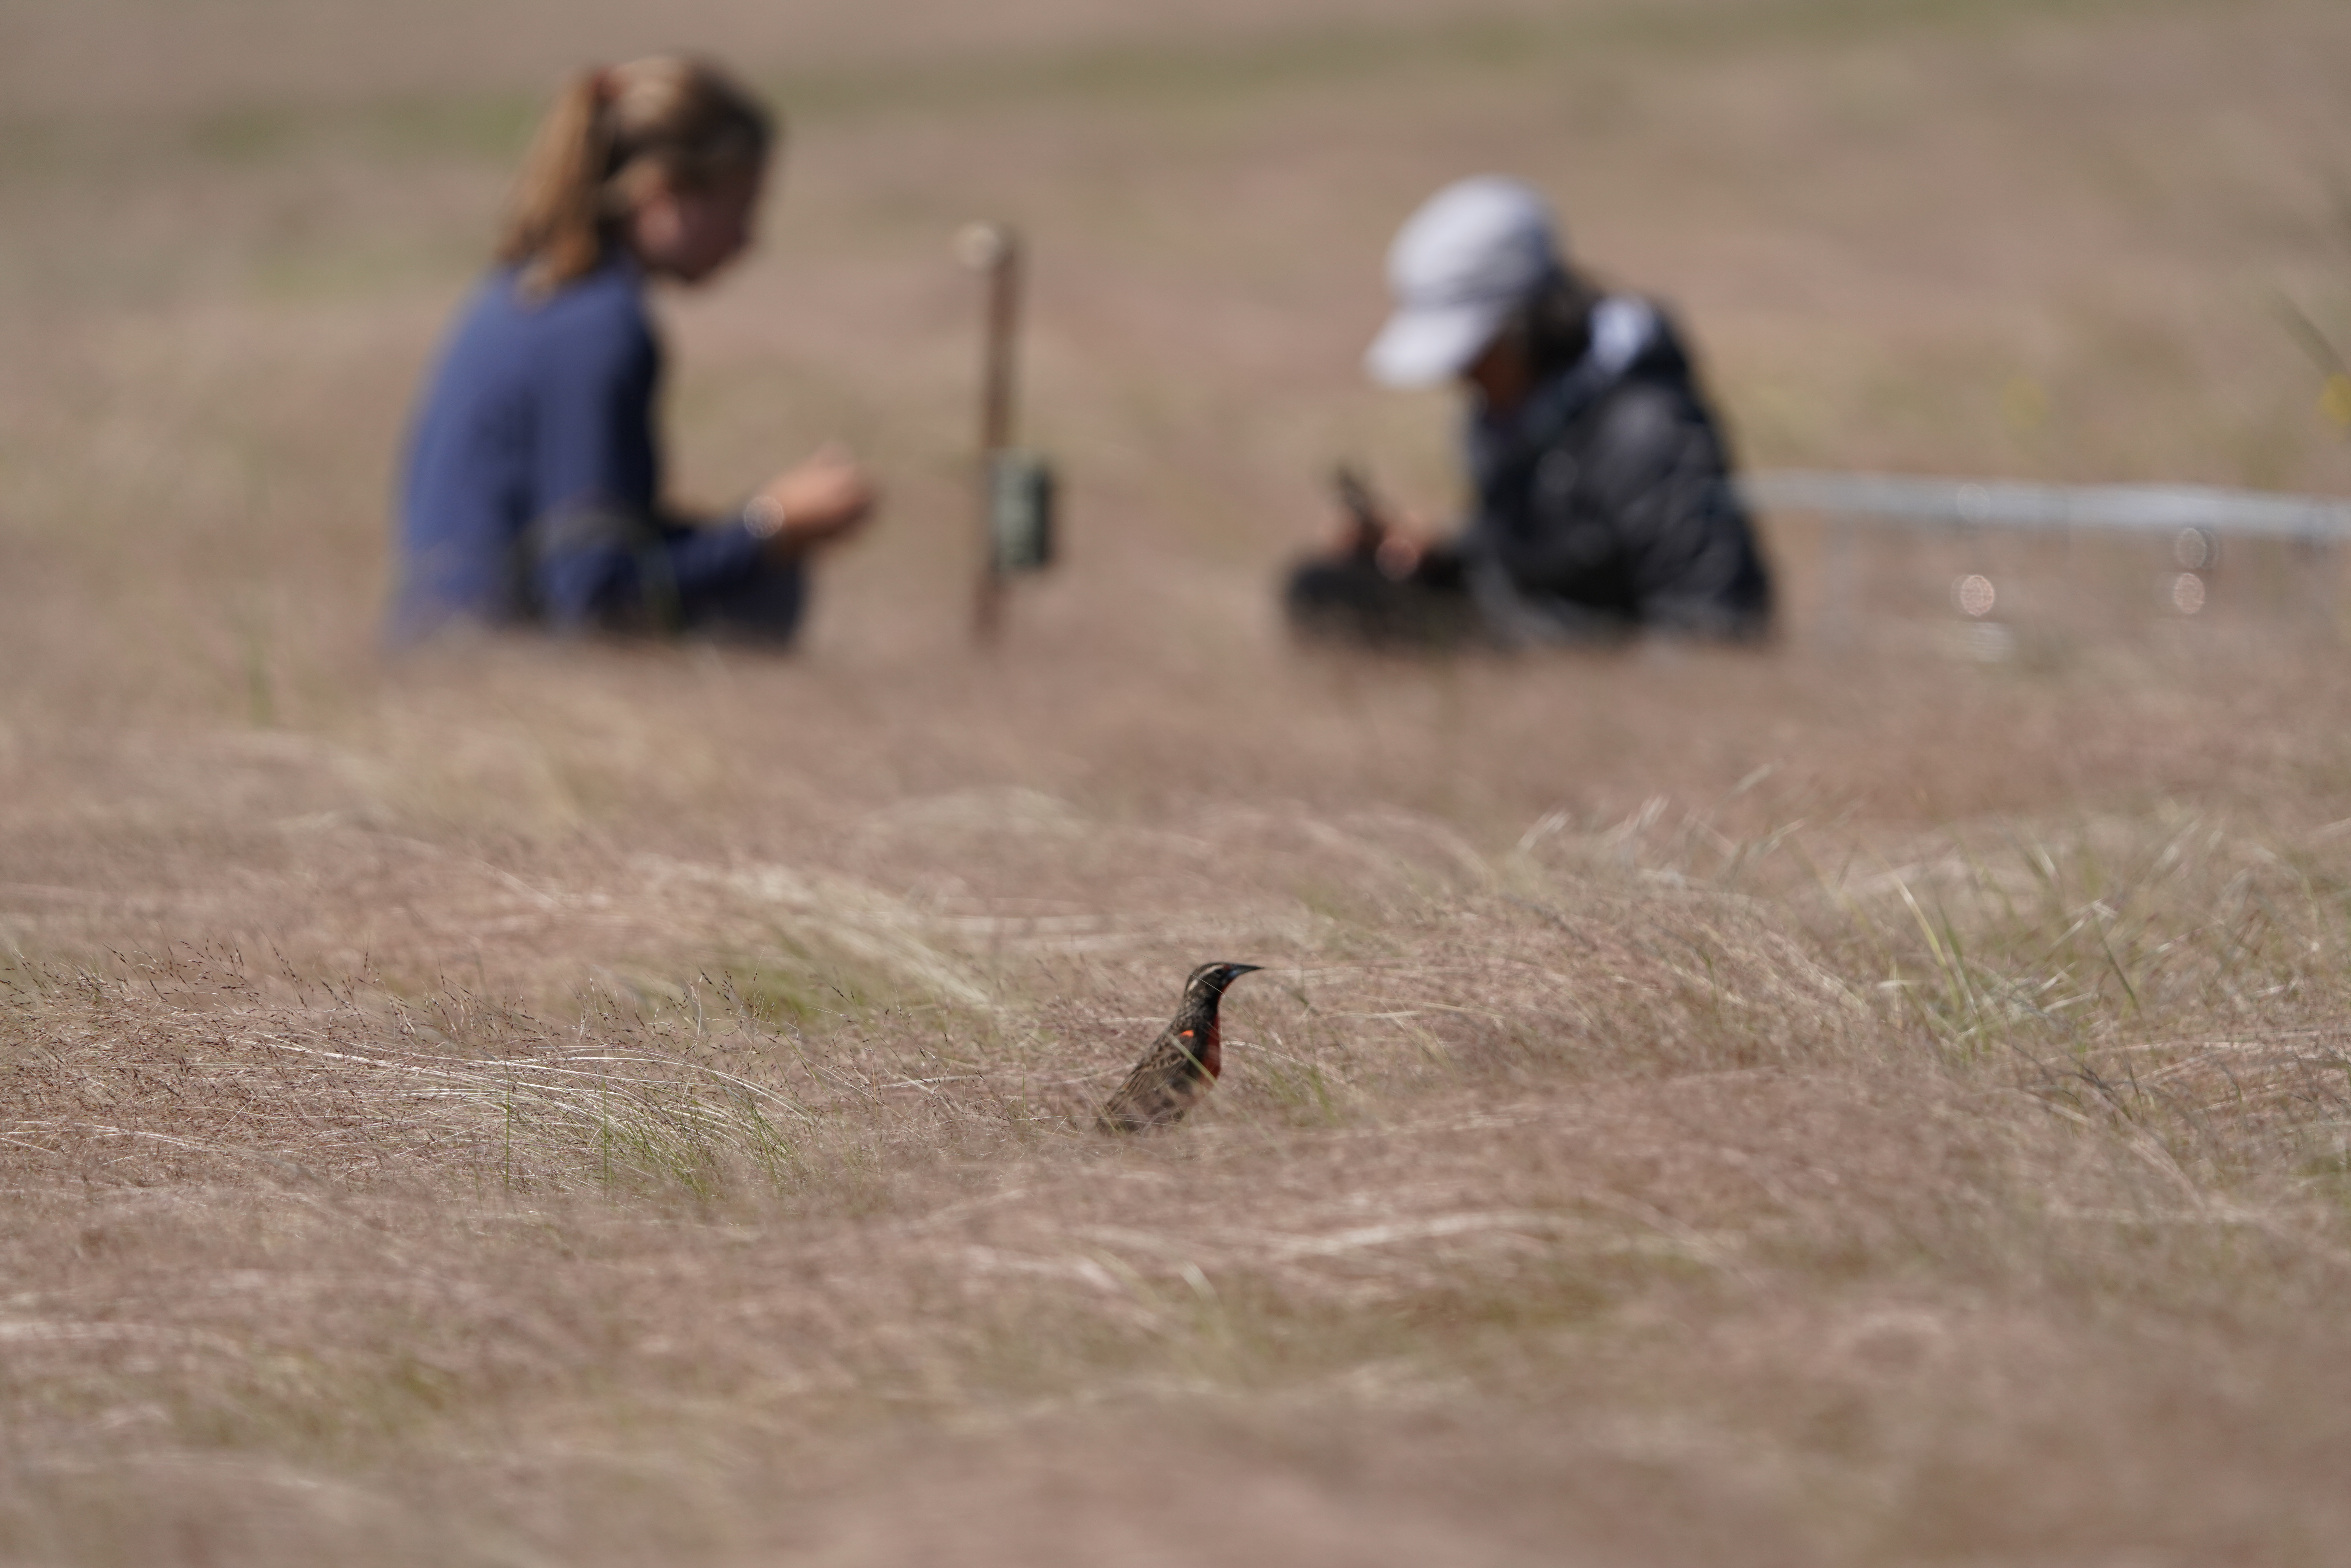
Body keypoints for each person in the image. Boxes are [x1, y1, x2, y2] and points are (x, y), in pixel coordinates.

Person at [390, 56, 875, 646]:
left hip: (435, 647)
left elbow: (583, 547)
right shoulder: (600, 329)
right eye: (741, 205)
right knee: (764, 590)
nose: (750, 239)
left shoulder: (527, 291)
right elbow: (595, 594)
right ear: (664, 195)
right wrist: (770, 528)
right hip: (487, 666)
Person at [1286, 176, 1771, 648]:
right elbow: (1525, 561)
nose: (1459, 374)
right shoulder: (1513, 413)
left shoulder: (1647, 429)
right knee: (1330, 589)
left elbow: (1718, 626)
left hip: (1585, 672)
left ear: (1527, 325)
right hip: (1528, 641)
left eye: (1473, 351)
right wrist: (1434, 559)